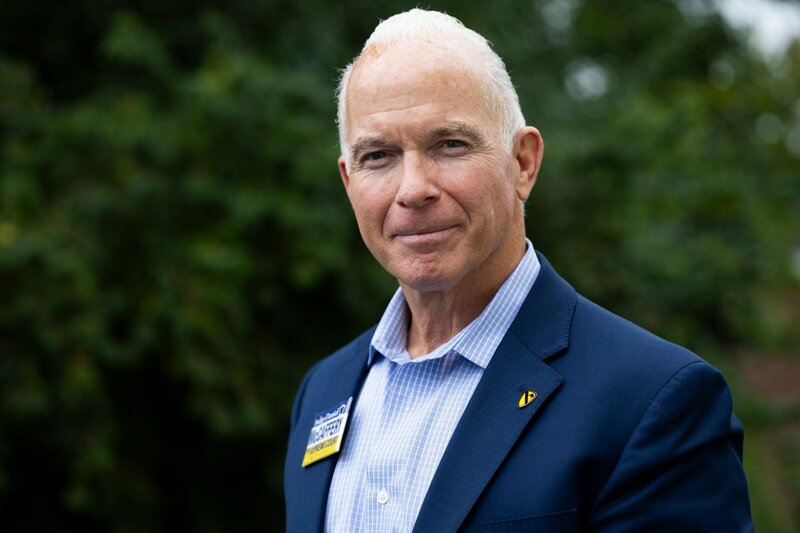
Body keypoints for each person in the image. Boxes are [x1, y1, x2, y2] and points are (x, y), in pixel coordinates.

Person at [284, 8, 752, 532]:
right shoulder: (323, 393)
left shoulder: (653, 401)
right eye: (378, 156)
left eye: (450, 145)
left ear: (523, 163)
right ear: (349, 182)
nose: (413, 189)